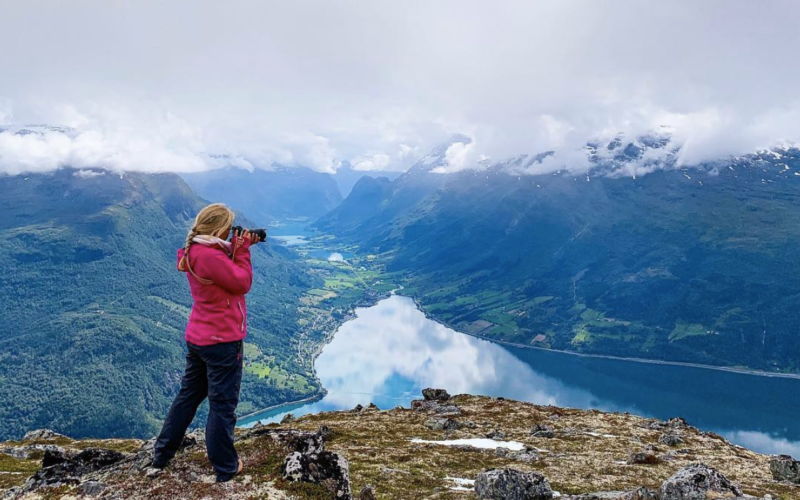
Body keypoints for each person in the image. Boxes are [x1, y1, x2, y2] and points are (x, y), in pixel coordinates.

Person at [151, 203, 261, 482]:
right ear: (221, 229)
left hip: (199, 338)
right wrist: (243, 251)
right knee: (222, 405)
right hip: (222, 341)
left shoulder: (196, 250)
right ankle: (226, 466)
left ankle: (162, 454)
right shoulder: (210, 256)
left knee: (188, 397)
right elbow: (242, 282)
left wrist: (235, 247)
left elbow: (221, 274)